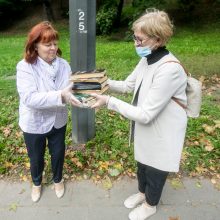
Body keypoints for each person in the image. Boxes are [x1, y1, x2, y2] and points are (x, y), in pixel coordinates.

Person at [91, 9, 188, 220]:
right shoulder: (148, 58)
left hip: (162, 128)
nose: (135, 43)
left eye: (140, 39)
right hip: (146, 122)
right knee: (143, 162)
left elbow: (145, 114)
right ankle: (142, 193)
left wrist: (108, 101)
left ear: (158, 40)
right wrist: (100, 84)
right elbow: (128, 85)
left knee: (156, 167)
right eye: (134, 37)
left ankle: (150, 205)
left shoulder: (169, 69)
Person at [16, 21, 82, 202]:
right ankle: (36, 183)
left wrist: (82, 97)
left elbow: (71, 89)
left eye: (55, 43)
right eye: (47, 44)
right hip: (34, 123)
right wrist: (61, 95)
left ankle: (58, 179)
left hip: (58, 120)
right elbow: (29, 98)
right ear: (35, 45)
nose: (53, 48)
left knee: (58, 152)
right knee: (36, 157)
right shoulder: (25, 67)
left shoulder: (63, 64)